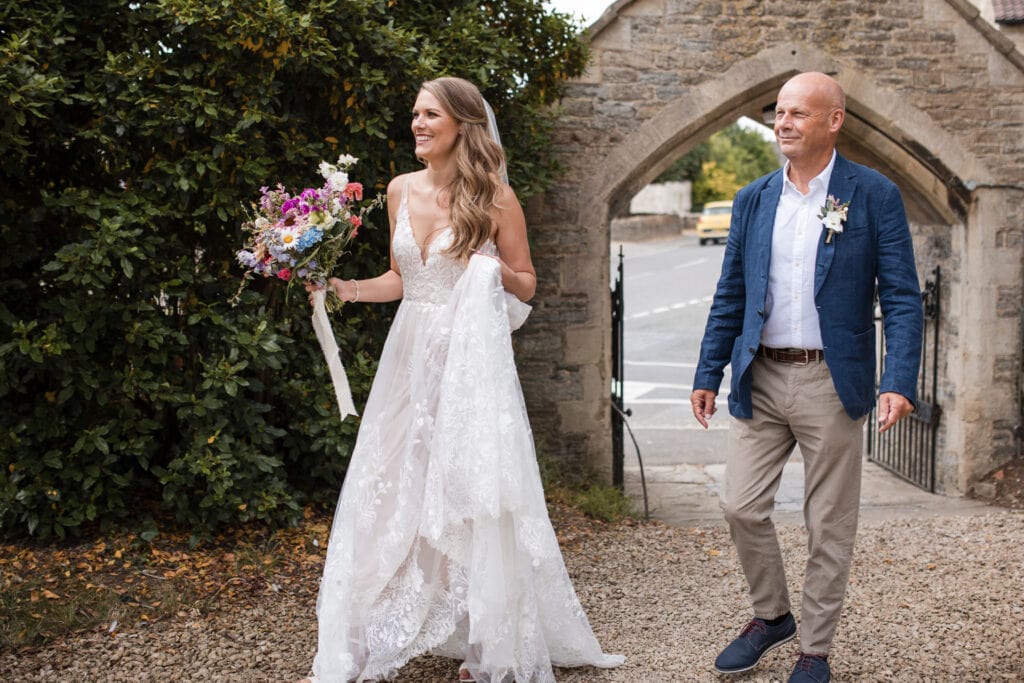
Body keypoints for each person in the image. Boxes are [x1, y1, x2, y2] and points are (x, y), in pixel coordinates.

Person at [298, 77, 623, 683]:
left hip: (469, 365)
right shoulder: (399, 190)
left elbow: (526, 283)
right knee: (389, 482)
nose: (418, 124)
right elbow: (402, 279)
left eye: (430, 115)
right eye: (415, 114)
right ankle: (363, 634)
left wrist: (487, 269)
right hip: (408, 359)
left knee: (469, 491)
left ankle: (487, 644)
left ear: (462, 126)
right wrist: (344, 289)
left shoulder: (495, 198)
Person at [690, 72, 923, 683]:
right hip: (760, 376)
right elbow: (731, 292)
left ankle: (814, 650)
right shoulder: (754, 198)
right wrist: (708, 369)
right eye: (779, 113)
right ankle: (772, 616)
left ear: (834, 120)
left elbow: (901, 296)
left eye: (797, 113)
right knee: (740, 505)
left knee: (829, 523)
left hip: (832, 382)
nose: (783, 123)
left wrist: (897, 378)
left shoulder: (873, 194)